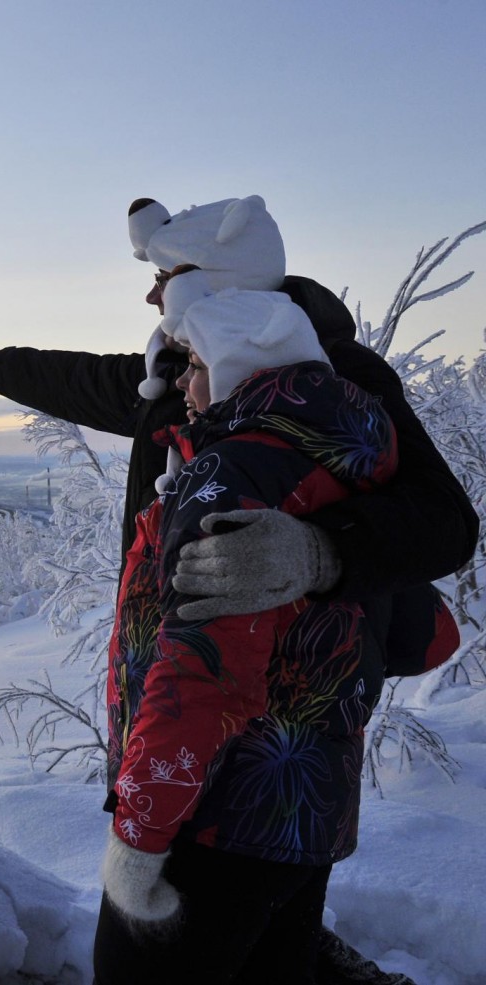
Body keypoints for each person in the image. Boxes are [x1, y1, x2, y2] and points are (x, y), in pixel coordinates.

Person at [0, 196, 476, 984]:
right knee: (261, 928)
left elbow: (446, 522)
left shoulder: (338, 378)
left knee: (182, 937)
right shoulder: (187, 374)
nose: (151, 294)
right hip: (270, 766)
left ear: (223, 284)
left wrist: (321, 552)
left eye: (168, 274)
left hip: (241, 744)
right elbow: (82, 379)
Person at [89, 268, 442, 983]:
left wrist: (140, 832)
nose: (182, 383)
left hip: (215, 816)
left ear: (235, 368)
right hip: (310, 814)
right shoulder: (347, 459)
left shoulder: (228, 474)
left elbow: (200, 673)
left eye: (194, 364)